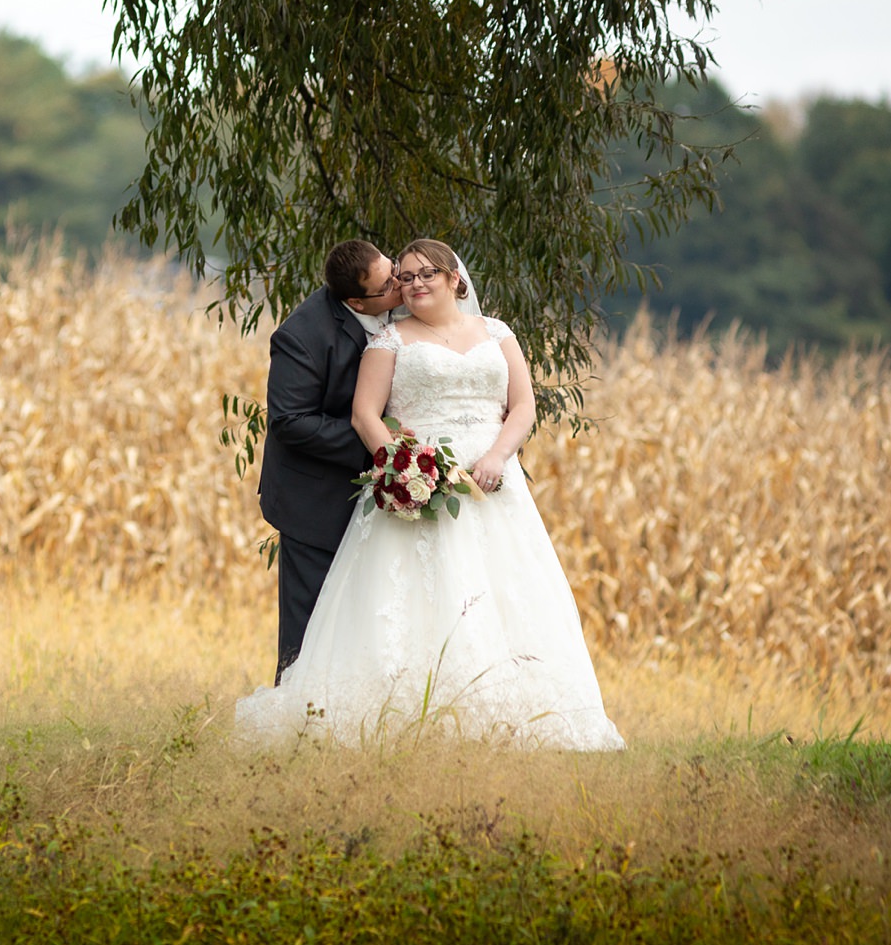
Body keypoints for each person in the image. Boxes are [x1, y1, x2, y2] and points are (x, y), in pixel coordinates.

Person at [238, 238, 624, 750]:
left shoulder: (498, 333)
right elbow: (360, 416)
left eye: (424, 275)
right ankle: (337, 713)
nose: (410, 284)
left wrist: (496, 457)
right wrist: (402, 468)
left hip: (492, 487)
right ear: (363, 300)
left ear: (454, 279)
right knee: (393, 602)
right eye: (402, 277)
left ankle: (504, 714)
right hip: (404, 482)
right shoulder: (377, 338)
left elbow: (523, 406)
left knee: (503, 594)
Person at [257, 239, 405, 685]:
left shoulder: (402, 304)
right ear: (356, 301)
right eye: (389, 283)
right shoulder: (302, 335)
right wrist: (376, 439)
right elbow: (290, 421)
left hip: (380, 497)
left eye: (394, 268)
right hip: (314, 499)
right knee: (310, 624)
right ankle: (292, 722)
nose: (401, 282)